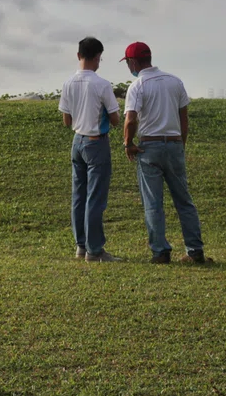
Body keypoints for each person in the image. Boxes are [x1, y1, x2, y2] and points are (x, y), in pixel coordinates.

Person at [120, 41, 212, 265]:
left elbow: (130, 119)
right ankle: (195, 250)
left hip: (149, 147)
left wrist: (127, 143)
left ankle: (160, 252)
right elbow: (184, 117)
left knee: (153, 203)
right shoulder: (175, 82)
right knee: (184, 201)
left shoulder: (138, 85)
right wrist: (181, 144)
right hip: (174, 144)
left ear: (133, 62)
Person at [58, 36, 122, 262]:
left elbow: (66, 120)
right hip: (96, 141)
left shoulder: (67, 84)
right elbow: (115, 120)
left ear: (78, 55)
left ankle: (81, 246)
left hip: (77, 141)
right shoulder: (102, 84)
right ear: (98, 57)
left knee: (79, 196)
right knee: (95, 198)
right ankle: (95, 250)